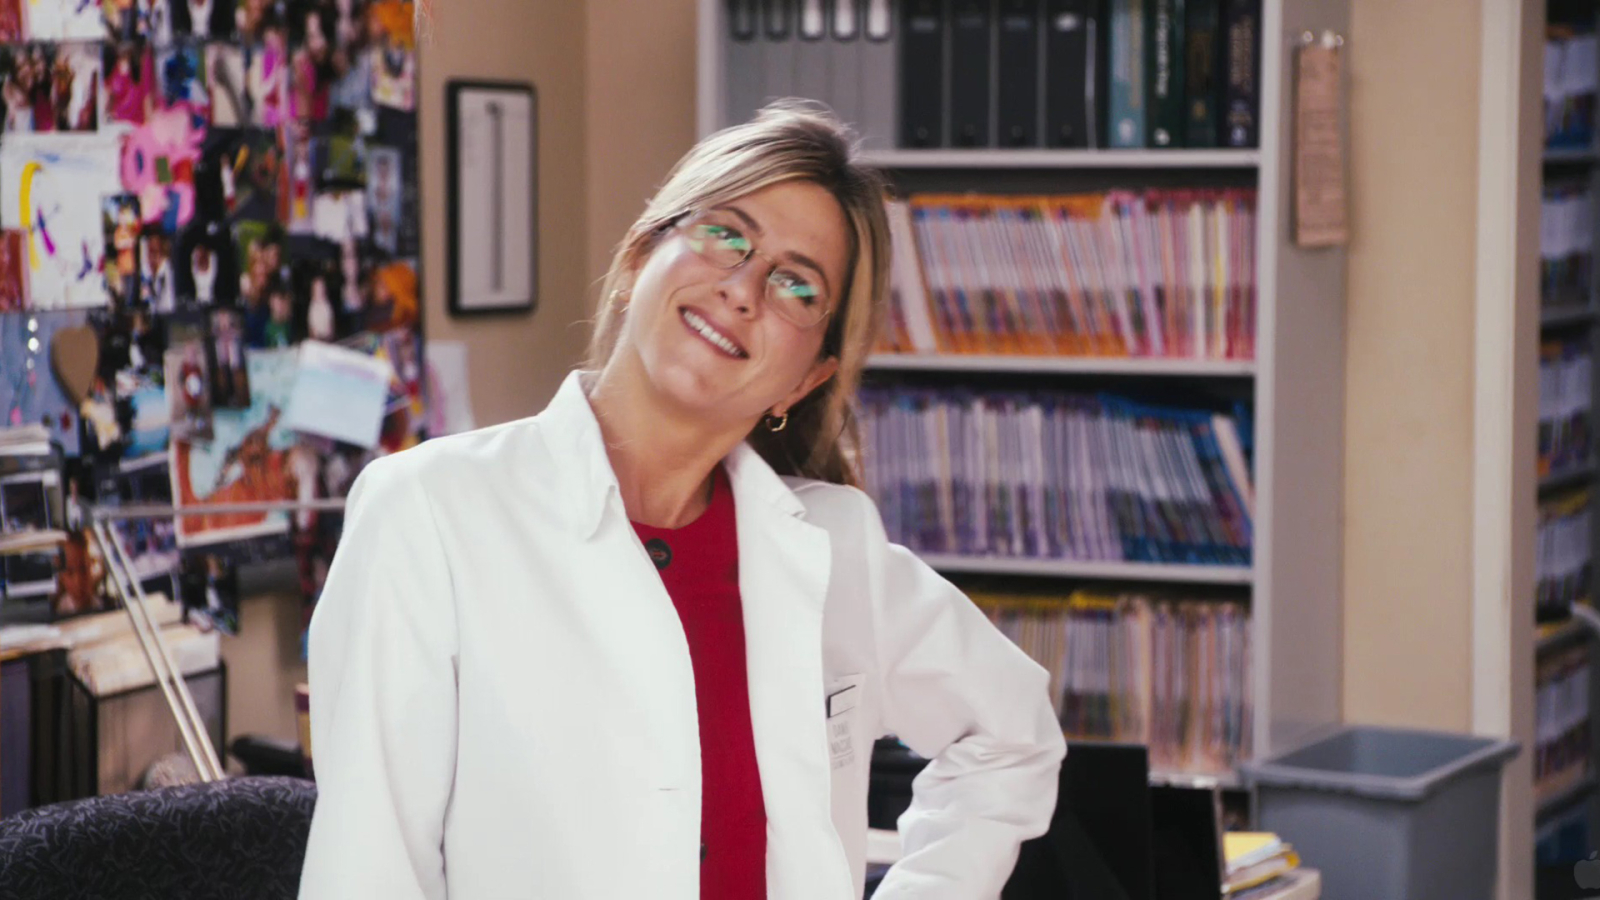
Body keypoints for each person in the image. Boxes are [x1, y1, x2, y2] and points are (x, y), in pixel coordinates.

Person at [297, 102, 1065, 900]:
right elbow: (368, 871)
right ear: (638, 260)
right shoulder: (428, 514)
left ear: (807, 379)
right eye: (726, 235)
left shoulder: (836, 546)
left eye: (797, 286)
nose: (743, 289)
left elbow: (1012, 736)